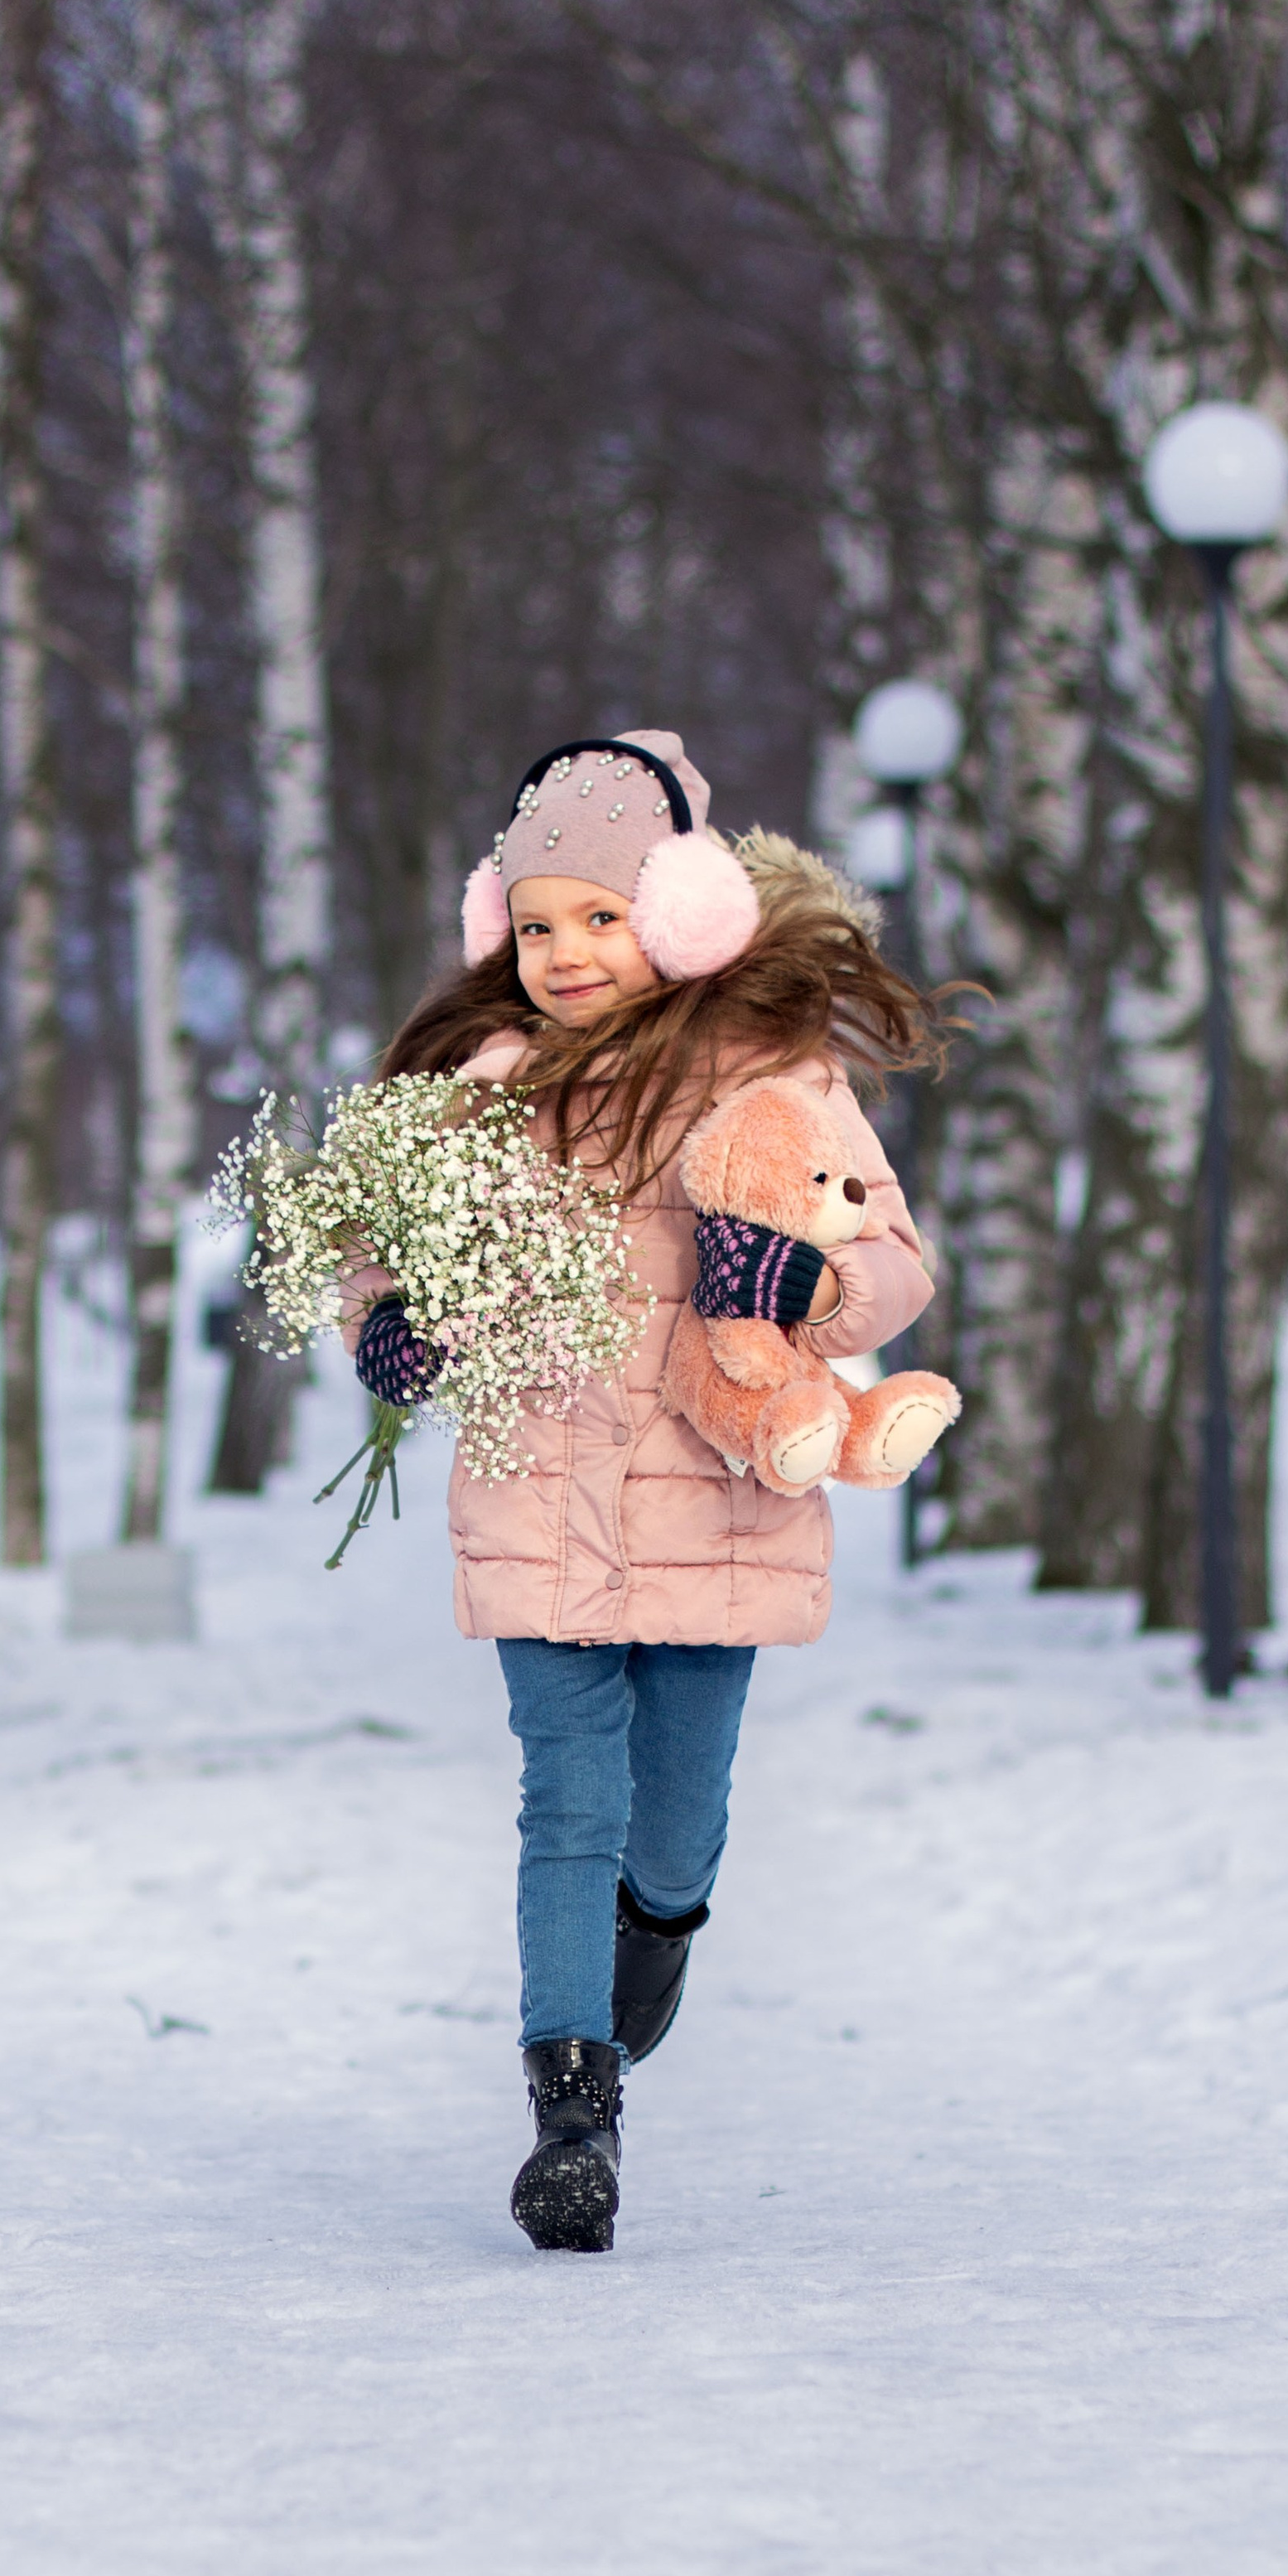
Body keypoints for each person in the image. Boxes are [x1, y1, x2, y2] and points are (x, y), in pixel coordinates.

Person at [345, 730, 952, 2253]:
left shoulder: (774, 1077)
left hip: (717, 1505)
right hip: (539, 1509)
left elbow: (896, 1268)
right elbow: (377, 1263)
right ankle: (572, 2118)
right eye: (536, 924)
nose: (562, 955)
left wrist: (800, 1277)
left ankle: (661, 1923)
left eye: (600, 918)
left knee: (672, 1823)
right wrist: (390, 1324)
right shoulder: (469, 1095)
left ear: (678, 911)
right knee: (568, 1800)